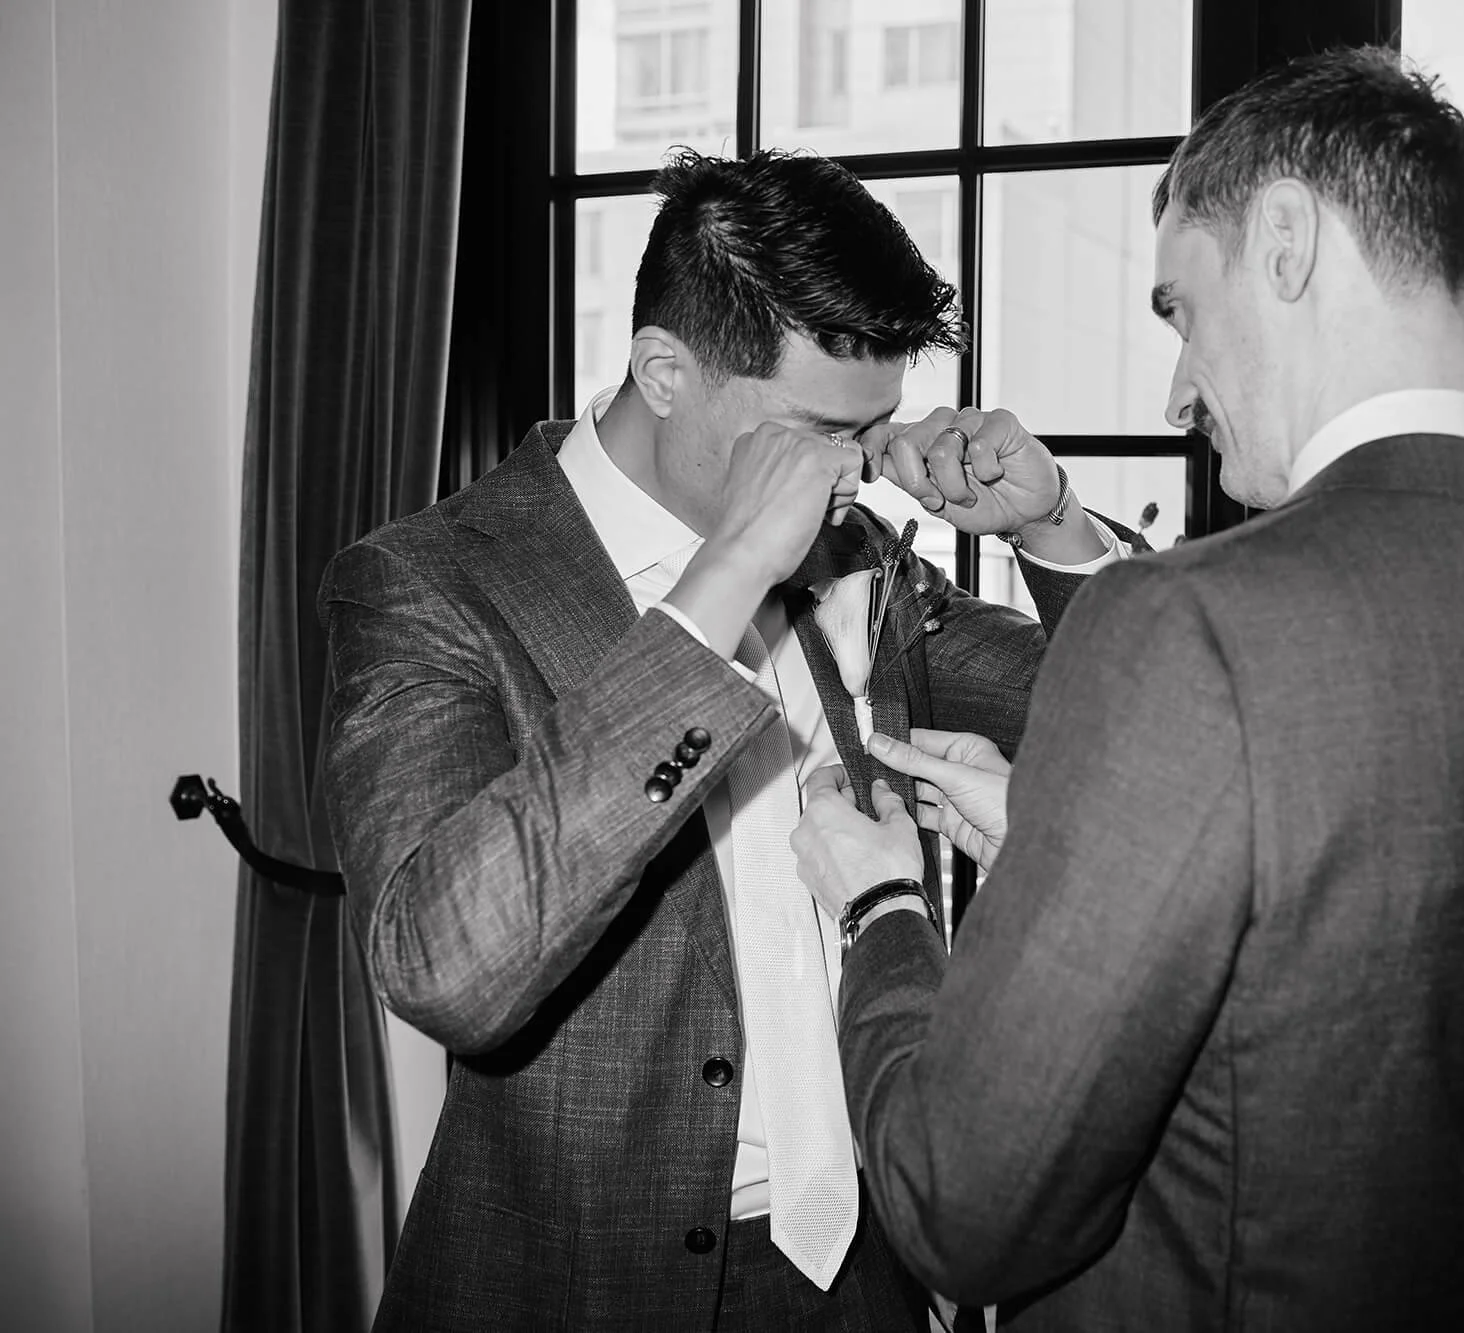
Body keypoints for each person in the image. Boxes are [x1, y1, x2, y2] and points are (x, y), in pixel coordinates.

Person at [790, 47, 1464, 1331]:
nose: (1174, 392)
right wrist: (1064, 831)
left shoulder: (1189, 624)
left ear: (1282, 240)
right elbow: (1368, 1010)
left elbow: (962, 1203)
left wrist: (881, 905)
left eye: (1177, 309)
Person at [318, 148, 1135, 1330]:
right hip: (577, 1287)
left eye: (873, 432)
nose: (854, 476)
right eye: (816, 433)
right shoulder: (428, 585)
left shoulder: (857, 559)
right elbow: (445, 963)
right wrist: (729, 574)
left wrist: (1052, 525)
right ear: (664, 371)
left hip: (866, 1278)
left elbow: (1124, 713)